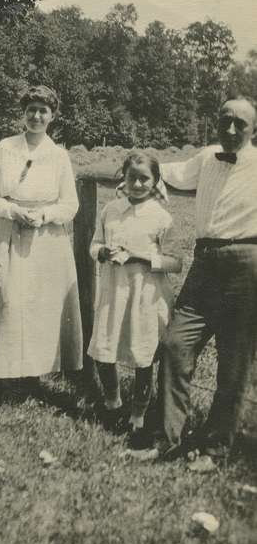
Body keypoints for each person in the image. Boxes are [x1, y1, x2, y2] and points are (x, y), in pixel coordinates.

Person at [156, 95, 257, 459]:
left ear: (253, 129)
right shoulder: (206, 156)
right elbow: (166, 172)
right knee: (174, 345)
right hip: (205, 263)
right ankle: (166, 439)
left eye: (240, 124)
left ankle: (215, 447)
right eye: (224, 120)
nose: (230, 129)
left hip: (246, 264)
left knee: (233, 361)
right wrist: (134, 168)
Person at [0, 84, 83, 383]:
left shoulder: (58, 155)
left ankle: (37, 373)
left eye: (43, 111)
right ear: (23, 113)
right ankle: (7, 371)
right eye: (31, 110)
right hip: (11, 230)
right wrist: (12, 211)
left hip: (46, 237)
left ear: (52, 116)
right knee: (11, 300)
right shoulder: (6, 147)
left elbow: (70, 204)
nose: (36, 116)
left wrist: (44, 215)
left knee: (42, 303)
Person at [88, 151, 182, 442]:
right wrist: (102, 252)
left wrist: (141, 258)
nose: (138, 184)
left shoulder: (161, 217)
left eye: (145, 179)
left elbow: (175, 262)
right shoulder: (111, 210)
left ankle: (137, 415)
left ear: (155, 182)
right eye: (133, 178)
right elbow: (95, 244)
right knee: (105, 349)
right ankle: (112, 402)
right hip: (113, 290)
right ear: (123, 178)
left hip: (146, 294)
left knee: (143, 356)